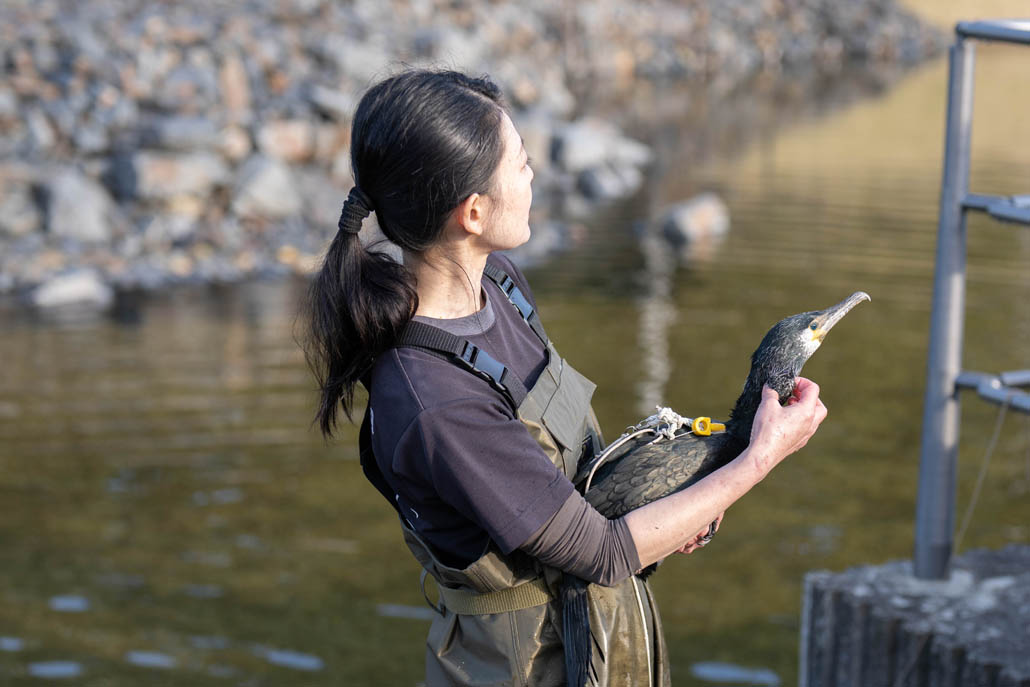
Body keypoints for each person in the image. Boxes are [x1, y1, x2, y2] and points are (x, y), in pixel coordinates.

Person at [303, 69, 827, 687]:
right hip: (521, 665)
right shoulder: (437, 402)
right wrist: (758, 460)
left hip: (596, 628)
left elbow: (580, 494)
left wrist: (678, 504)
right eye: (520, 164)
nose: (534, 177)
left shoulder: (500, 285)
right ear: (473, 212)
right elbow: (603, 551)